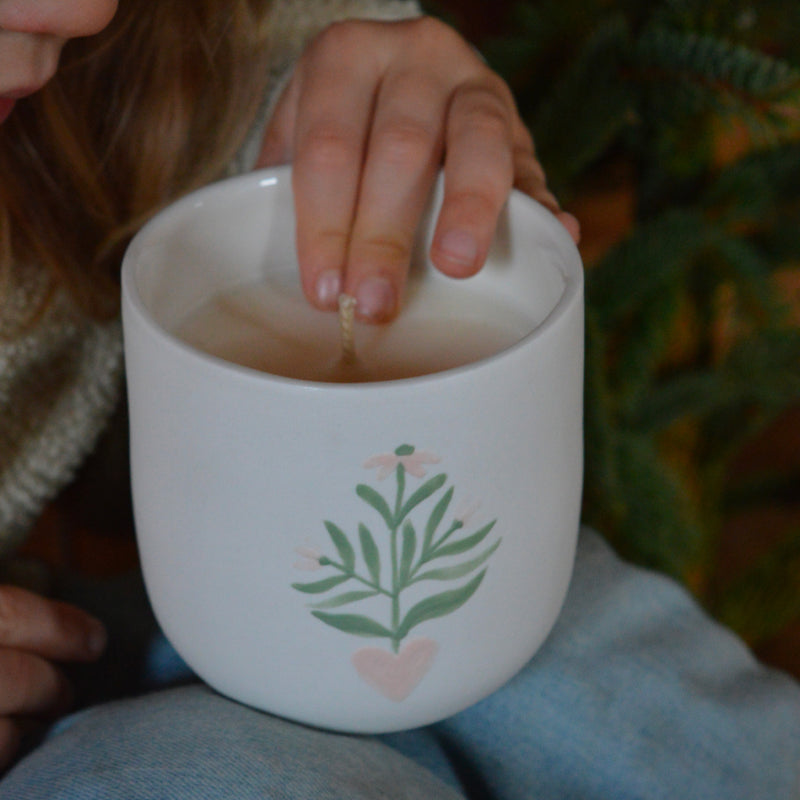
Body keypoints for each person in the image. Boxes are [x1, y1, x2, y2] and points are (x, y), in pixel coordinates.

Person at [0, 1, 798, 798]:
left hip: (143, 615)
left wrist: (345, 125)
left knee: (573, 669)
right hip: (60, 658)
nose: (83, 10)